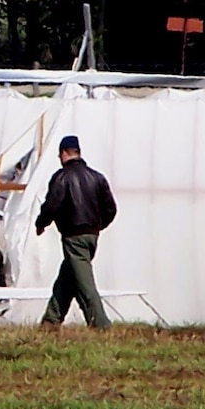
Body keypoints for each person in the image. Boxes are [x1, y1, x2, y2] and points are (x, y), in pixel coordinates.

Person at [34, 134, 118, 328]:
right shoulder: (97, 177)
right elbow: (111, 209)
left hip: (73, 236)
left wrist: (41, 223)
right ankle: (50, 321)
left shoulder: (61, 177)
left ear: (64, 153)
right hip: (92, 236)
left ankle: (101, 325)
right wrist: (98, 226)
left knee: (84, 283)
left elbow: (51, 206)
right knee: (69, 276)